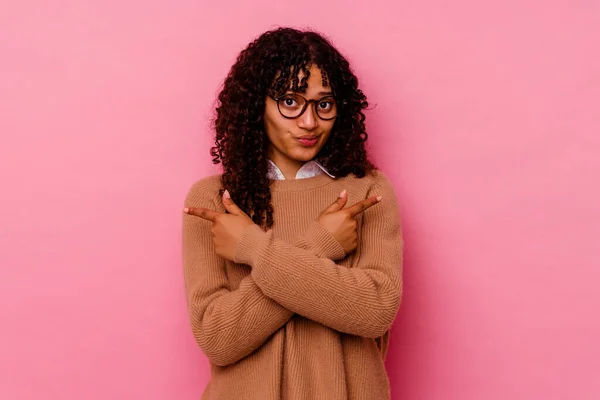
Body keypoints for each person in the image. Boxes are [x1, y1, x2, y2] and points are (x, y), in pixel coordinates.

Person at [182, 27, 403, 400]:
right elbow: (218, 337)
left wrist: (253, 247)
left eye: (324, 104)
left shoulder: (367, 192)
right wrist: (322, 243)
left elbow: (375, 311)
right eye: (290, 101)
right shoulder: (215, 201)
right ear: (257, 105)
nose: (309, 122)